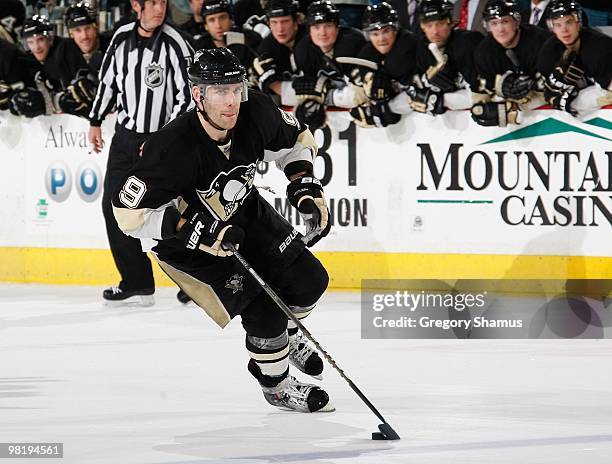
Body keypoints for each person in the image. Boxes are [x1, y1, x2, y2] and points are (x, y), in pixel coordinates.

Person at [111, 48, 334, 413]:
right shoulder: (170, 148)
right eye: (219, 91)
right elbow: (127, 216)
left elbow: (296, 142)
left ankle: (282, 341)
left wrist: (305, 188)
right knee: (265, 310)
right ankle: (275, 384)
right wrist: (191, 229)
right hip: (184, 246)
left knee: (310, 279)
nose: (231, 101)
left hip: (243, 212)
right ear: (198, 95)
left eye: (235, 89)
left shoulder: (256, 110)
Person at [88, 0, 193, 305]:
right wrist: (95, 120)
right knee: (114, 208)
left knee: (177, 212)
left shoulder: (175, 43)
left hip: (162, 144)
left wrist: (163, 139)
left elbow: (186, 97)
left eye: (163, 2)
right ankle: (137, 281)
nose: (159, 9)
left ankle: (198, 282)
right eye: (153, 3)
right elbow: (108, 83)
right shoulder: (121, 38)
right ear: (137, 5)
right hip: (125, 141)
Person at [391, 0, 483, 116]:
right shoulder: (421, 47)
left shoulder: (468, 42)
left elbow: (480, 96)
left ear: (449, 22)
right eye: (429, 26)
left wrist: (441, 100)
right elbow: (415, 91)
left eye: (440, 24)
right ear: (422, 27)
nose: (435, 32)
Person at [471, 0, 551, 127]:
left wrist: (514, 106)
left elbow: (550, 91)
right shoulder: (483, 52)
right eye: (494, 23)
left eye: (505, 21)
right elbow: (481, 94)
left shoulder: (541, 42)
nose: (500, 29)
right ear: (488, 27)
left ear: (517, 22)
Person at [292, 0, 367, 130]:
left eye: (328, 26)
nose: (322, 33)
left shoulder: (353, 43)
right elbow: (305, 93)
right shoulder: (302, 50)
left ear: (338, 28)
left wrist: (325, 96)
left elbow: (361, 94)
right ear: (309, 30)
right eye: (316, 27)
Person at [537, 0, 612, 116]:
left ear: (579, 23)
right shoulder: (548, 53)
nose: (564, 30)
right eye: (558, 25)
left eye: (569, 22)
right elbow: (548, 92)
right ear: (552, 28)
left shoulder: (601, 48)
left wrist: (573, 102)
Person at [349, 2, 418, 128]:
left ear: (395, 29)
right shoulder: (366, 53)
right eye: (375, 34)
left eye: (386, 31)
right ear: (368, 35)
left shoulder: (410, 44)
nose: (381, 39)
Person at [253, 0, 306, 106]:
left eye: (285, 21)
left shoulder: (312, 38)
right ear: (268, 24)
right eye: (274, 22)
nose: (280, 29)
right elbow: (274, 86)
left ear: (296, 22)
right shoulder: (266, 48)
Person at [192, 0, 261, 69]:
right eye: (211, 20)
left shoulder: (249, 38)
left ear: (231, 20)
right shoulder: (199, 47)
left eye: (222, 18)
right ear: (205, 26)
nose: (218, 25)